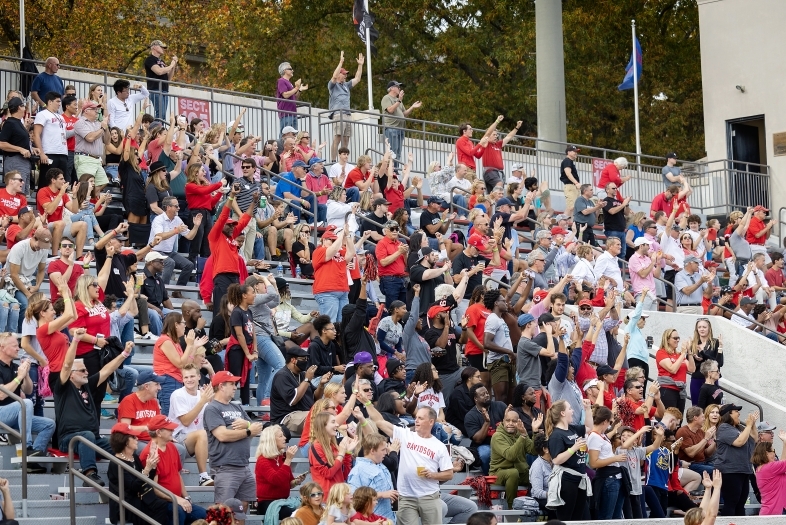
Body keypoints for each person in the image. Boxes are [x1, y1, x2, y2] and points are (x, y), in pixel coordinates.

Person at [55, 321, 130, 486]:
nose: (86, 372)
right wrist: (75, 340)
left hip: (92, 438)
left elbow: (107, 370)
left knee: (121, 445)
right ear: (72, 375)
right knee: (87, 436)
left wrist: (124, 354)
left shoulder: (87, 385)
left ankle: (128, 476)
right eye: (82, 370)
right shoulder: (63, 387)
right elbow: (67, 364)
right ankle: (89, 475)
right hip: (69, 439)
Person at [363, 397, 454, 525]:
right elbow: (379, 421)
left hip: (429, 496)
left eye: (421, 418)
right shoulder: (405, 435)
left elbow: (449, 474)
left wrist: (433, 475)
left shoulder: (439, 446)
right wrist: (366, 403)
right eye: (416, 417)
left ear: (431, 421)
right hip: (406, 497)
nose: (416, 421)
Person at [203, 370, 264, 504]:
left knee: (242, 511)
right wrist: (247, 431)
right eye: (232, 384)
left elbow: (256, 427)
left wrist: (247, 424)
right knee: (223, 512)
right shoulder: (212, 408)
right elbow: (222, 435)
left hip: (244, 466)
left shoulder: (237, 407)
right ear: (221, 386)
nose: (235, 387)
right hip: (225, 467)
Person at [139, 415, 208, 525]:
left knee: (204, 514)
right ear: (159, 432)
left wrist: (186, 497)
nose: (173, 430)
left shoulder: (172, 446)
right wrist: (177, 499)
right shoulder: (149, 454)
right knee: (178, 512)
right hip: (163, 502)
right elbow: (154, 488)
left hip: (176, 499)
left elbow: (177, 474)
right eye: (169, 429)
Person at [0, 333, 56, 464]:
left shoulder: (14, 367)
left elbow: (28, 390)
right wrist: (19, 377)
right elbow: (1, 394)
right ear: (2, 347)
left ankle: (33, 457)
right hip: (2, 412)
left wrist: (25, 375)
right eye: (14, 346)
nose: (18, 349)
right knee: (25, 403)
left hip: (15, 413)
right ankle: (26, 446)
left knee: (49, 424)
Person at [106, 423, 170, 525]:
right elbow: (134, 486)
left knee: (163, 506)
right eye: (133, 437)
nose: (137, 438)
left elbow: (146, 480)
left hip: (138, 498)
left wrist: (152, 466)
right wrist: (147, 469)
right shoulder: (115, 463)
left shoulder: (134, 457)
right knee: (159, 508)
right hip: (125, 505)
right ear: (125, 441)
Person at [544, 398, 594, 522]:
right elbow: (556, 460)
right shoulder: (556, 435)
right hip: (567, 479)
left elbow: (589, 427)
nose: (572, 411)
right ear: (562, 413)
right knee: (566, 518)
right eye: (570, 409)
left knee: (578, 518)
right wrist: (574, 448)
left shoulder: (573, 429)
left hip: (580, 477)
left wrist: (588, 409)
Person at [207, 184, 254, 316]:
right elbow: (223, 216)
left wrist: (254, 202)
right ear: (222, 226)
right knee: (222, 309)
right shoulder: (215, 236)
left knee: (234, 309)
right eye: (229, 225)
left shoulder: (232, 235)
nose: (233, 227)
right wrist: (232, 195)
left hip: (234, 276)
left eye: (233, 225)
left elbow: (244, 220)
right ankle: (217, 335)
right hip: (222, 275)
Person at [168, 363, 214, 487]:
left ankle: (219, 476)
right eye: (186, 377)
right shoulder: (178, 394)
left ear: (199, 377)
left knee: (224, 436)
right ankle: (203, 476)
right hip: (178, 439)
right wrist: (203, 401)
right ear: (182, 379)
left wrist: (212, 404)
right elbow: (186, 421)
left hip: (200, 439)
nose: (189, 380)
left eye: (192, 376)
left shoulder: (202, 394)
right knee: (202, 434)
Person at [490, 409, 543, 509]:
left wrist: (535, 431)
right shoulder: (497, 436)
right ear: (503, 421)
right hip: (499, 473)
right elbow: (511, 455)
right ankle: (511, 508)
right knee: (512, 473)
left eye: (514, 421)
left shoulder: (520, 432)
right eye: (507, 420)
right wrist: (522, 436)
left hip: (520, 473)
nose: (510, 423)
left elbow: (533, 451)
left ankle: (537, 505)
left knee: (536, 473)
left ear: (519, 422)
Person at [714, 404, 758, 516]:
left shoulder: (738, 428)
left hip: (743, 470)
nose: (739, 413)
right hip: (730, 471)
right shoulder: (724, 427)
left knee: (740, 504)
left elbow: (754, 438)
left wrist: (752, 425)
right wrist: (748, 426)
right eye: (736, 411)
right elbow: (739, 442)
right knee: (732, 502)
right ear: (728, 414)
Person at [149, 196, 201, 289]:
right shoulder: (158, 219)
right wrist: (176, 231)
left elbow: (190, 236)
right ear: (168, 207)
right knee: (170, 262)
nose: (179, 208)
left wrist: (196, 226)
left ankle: (177, 291)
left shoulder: (177, 219)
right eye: (176, 206)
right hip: (155, 251)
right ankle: (163, 290)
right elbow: (159, 236)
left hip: (168, 252)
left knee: (189, 265)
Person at [270, 347, 325, 434]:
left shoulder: (302, 375)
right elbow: (293, 400)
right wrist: (307, 380)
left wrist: (321, 385)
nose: (306, 361)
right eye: (303, 359)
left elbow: (315, 398)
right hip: (287, 417)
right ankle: (310, 447)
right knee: (319, 419)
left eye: (307, 359)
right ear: (293, 360)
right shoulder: (282, 376)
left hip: (305, 413)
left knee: (329, 415)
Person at [586, 405, 628, 520]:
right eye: (610, 422)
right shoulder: (594, 437)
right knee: (607, 517)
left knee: (615, 517)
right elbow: (593, 463)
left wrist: (615, 428)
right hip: (608, 478)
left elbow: (604, 440)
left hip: (615, 477)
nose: (610, 424)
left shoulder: (601, 435)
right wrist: (615, 458)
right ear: (604, 421)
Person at [255, 425, 304, 519]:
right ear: (272, 440)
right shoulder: (262, 460)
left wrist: (296, 481)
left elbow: (289, 483)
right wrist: (288, 460)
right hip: (267, 502)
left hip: (283, 501)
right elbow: (276, 480)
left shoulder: (281, 458)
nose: (285, 438)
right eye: (281, 436)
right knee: (293, 514)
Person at [347, 433, 398, 523]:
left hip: (388, 518)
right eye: (383, 450)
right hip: (372, 521)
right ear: (372, 451)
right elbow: (353, 497)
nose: (386, 453)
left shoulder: (381, 464)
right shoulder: (358, 470)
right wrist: (381, 494)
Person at [308, 411, 358, 495]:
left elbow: (345, 474)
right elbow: (328, 473)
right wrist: (342, 453)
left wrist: (347, 453)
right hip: (326, 498)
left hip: (340, 495)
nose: (337, 425)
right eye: (333, 422)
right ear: (323, 425)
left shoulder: (334, 446)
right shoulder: (316, 447)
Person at [328, 51, 365, 162]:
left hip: (348, 114)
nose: (345, 75)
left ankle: (344, 160)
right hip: (338, 114)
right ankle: (333, 160)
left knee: (346, 139)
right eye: (343, 74)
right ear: (339, 74)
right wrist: (340, 62)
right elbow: (334, 77)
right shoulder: (332, 85)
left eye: (346, 74)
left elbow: (357, 78)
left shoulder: (346, 85)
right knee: (337, 137)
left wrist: (360, 65)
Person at [313, 226, 355, 322]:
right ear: (323, 240)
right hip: (327, 291)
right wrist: (341, 235)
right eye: (331, 240)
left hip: (342, 290)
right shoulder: (319, 251)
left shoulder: (340, 251)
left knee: (342, 323)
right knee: (329, 324)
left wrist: (347, 235)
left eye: (334, 240)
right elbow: (332, 250)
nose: (333, 242)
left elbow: (351, 253)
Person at [464, 384, 506, 475]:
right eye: (482, 395)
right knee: (485, 453)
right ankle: (490, 477)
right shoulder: (470, 416)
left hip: (504, 442)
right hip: (484, 445)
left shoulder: (500, 406)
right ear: (475, 398)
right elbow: (478, 440)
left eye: (487, 393)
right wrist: (486, 422)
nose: (487, 395)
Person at [656, 328, 695, 414]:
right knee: (669, 418)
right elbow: (672, 369)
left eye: (678, 338)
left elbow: (692, 369)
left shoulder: (679, 355)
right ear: (667, 339)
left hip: (680, 391)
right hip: (668, 389)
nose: (677, 340)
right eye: (675, 338)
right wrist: (683, 353)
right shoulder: (661, 352)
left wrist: (689, 351)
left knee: (678, 420)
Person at [380, 81, 422, 162]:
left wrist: (412, 107)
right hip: (391, 128)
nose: (399, 88)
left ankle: (396, 170)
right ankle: (392, 170)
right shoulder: (386, 98)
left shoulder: (398, 100)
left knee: (398, 152)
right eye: (397, 87)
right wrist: (399, 100)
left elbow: (404, 114)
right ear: (391, 88)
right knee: (393, 151)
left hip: (400, 129)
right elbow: (390, 110)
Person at [0, 98, 34, 193]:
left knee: (23, 195)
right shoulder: (9, 123)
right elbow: (1, 143)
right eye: (23, 105)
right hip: (15, 161)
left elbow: (18, 141)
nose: (25, 108)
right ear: (19, 107)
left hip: (24, 162)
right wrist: (20, 149)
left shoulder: (18, 123)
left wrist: (32, 148)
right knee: (17, 193)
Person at [676, 406, 718, 478]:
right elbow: (691, 453)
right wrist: (706, 439)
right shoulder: (683, 431)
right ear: (695, 418)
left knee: (724, 469)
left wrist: (715, 440)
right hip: (690, 464)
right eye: (702, 417)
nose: (704, 419)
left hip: (703, 463)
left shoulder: (700, 432)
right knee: (715, 471)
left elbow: (707, 453)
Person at [752, 430, 786, 515]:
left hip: (770, 511)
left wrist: (785, 443)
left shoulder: (762, 468)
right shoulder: (770, 468)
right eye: (773, 451)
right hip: (775, 512)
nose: (774, 454)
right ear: (767, 453)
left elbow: (782, 463)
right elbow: (784, 462)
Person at [690, 318, 722, 405]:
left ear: (709, 329)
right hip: (696, 378)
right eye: (699, 327)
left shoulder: (716, 342)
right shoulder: (693, 344)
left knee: (713, 406)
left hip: (712, 379)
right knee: (696, 407)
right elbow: (689, 365)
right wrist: (693, 357)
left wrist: (703, 355)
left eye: (704, 327)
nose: (702, 329)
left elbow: (719, 363)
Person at [145, 40, 177, 117]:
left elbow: (168, 78)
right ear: (154, 47)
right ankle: (157, 128)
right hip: (155, 89)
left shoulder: (161, 61)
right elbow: (159, 71)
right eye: (161, 46)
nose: (163, 48)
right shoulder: (150, 59)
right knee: (160, 113)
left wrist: (173, 65)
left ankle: (160, 128)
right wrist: (171, 65)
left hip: (164, 90)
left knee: (163, 115)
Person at [445, 367, 482, 435]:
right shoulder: (458, 393)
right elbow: (463, 415)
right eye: (478, 377)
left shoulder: (477, 389)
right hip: (459, 422)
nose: (480, 379)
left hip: (472, 419)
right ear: (469, 378)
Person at [277, 62, 307, 133]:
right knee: (285, 134)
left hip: (293, 113)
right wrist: (296, 88)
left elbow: (294, 97)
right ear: (284, 70)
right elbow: (285, 95)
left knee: (294, 135)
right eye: (290, 69)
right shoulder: (281, 81)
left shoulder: (289, 83)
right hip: (286, 113)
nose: (292, 70)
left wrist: (299, 90)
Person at [561, 146, 581, 216]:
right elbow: (568, 173)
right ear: (568, 152)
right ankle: (563, 222)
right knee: (571, 207)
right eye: (574, 151)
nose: (576, 153)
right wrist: (576, 183)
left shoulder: (569, 162)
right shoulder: (567, 161)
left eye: (576, 152)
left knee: (572, 207)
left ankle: (568, 223)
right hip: (570, 186)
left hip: (572, 186)